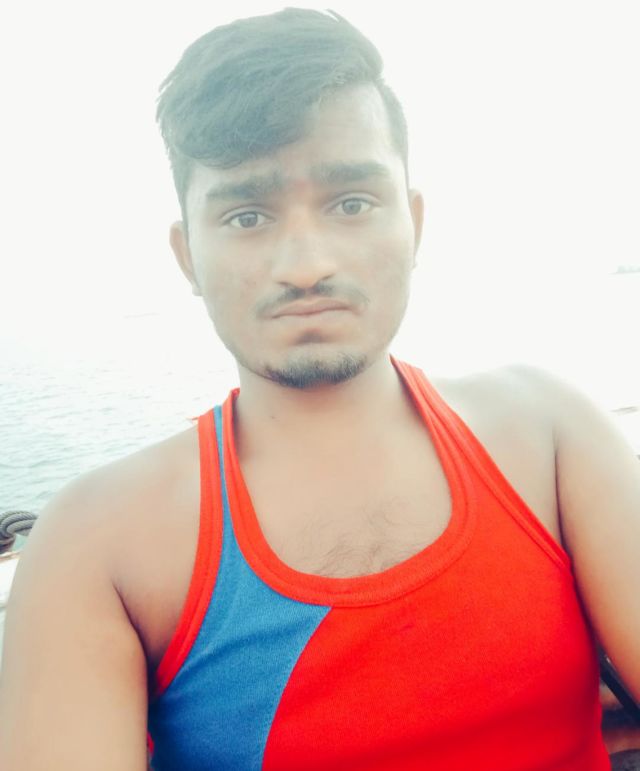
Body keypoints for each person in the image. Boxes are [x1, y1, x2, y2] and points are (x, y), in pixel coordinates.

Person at [0, 7, 638, 770]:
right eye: (246, 216)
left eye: (351, 203)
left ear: (414, 222)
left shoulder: (549, 432)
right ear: (187, 255)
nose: (305, 265)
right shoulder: (97, 542)